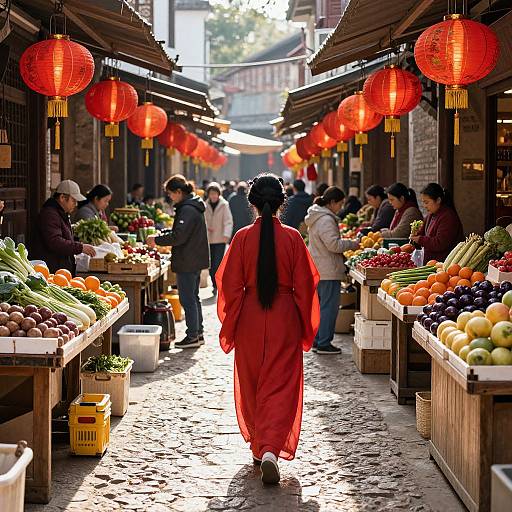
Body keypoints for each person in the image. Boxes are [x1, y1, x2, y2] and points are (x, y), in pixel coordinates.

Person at [216, 173, 320, 484]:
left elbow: (229, 286)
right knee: (281, 384)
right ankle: (272, 448)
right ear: (281, 202)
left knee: (251, 382)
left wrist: (232, 322)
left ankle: (260, 447)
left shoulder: (242, 238)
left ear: (250, 203)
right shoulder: (292, 238)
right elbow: (306, 286)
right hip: (284, 317)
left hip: (250, 317)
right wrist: (305, 325)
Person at [147, 175, 209, 348]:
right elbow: (181, 231)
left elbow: (179, 236)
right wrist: (165, 233)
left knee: (188, 299)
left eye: (171, 194)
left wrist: (157, 240)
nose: (170, 198)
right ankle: (198, 333)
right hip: (193, 258)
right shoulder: (190, 205)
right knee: (193, 298)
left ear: (179, 192)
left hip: (188, 259)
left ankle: (193, 335)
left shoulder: (187, 209)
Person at [304, 187, 359, 355]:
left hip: (320, 267)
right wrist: (353, 243)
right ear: (332, 202)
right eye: (340, 204)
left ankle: (318, 339)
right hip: (327, 269)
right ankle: (323, 343)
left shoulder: (317, 216)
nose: (341, 207)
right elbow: (333, 245)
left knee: (321, 306)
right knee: (329, 307)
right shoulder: (326, 219)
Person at [31, 180, 96, 273]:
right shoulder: (50, 214)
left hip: (60, 269)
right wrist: (80, 247)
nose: (76, 204)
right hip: (52, 270)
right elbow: (54, 241)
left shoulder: (60, 213)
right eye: (73, 200)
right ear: (62, 197)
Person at [410, 183, 464, 263]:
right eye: (423, 202)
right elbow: (422, 235)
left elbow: (440, 243)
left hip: (443, 264)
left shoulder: (448, 216)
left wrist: (420, 239)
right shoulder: (430, 215)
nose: (424, 206)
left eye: (427, 202)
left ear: (438, 200)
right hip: (430, 263)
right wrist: (415, 237)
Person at [204, 182, 233, 294]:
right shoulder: (205, 205)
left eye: (215, 194)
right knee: (210, 264)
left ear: (218, 194)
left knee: (218, 263)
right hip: (209, 238)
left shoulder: (224, 205)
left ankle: (218, 284)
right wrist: (207, 229)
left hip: (220, 238)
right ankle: (214, 283)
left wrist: (226, 235)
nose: (213, 196)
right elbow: (203, 221)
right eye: (211, 194)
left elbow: (228, 221)